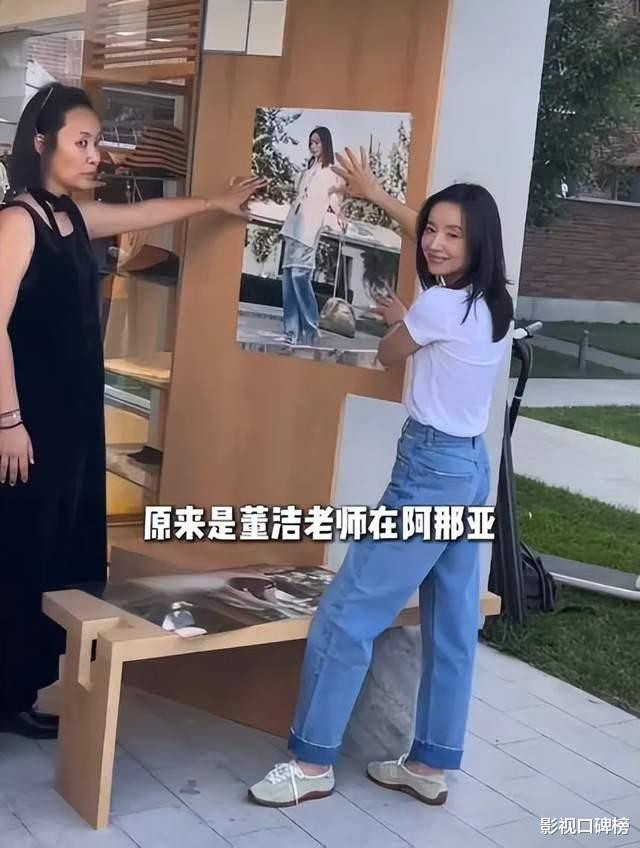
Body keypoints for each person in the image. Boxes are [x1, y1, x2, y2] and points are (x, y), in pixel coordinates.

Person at [249, 147, 514, 807]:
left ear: (478, 243)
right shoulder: (495, 304)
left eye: (454, 235)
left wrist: (401, 322)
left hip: (429, 472)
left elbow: (389, 355)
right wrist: (377, 196)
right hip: (468, 468)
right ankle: (428, 765)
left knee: (347, 613)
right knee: (451, 625)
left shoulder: (440, 306)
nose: (435, 242)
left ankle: (311, 763)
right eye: (432, 229)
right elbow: (428, 247)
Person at [0, 82, 264, 739]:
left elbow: (146, 214)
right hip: (25, 429)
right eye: (82, 141)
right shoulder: (18, 222)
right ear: (42, 143)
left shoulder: (71, 216)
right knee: (17, 556)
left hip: (70, 429)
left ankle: (17, 692)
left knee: (54, 557)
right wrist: (8, 422)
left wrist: (215, 203)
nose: (96, 154)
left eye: (97, 141)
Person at [276, 126, 346, 346]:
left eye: (317, 142)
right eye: (311, 143)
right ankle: (291, 332)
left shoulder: (331, 172)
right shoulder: (308, 169)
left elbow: (335, 199)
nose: (313, 146)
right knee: (288, 278)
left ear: (325, 143)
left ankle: (311, 330)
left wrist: (340, 215)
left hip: (309, 229)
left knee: (300, 276)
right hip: (293, 227)